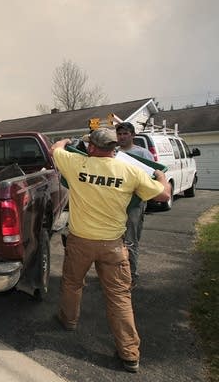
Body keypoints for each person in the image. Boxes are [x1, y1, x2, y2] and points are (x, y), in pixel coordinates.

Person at [50, 128, 170, 373]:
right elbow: (164, 195)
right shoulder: (130, 171)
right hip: (113, 246)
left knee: (72, 284)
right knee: (119, 297)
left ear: (92, 148)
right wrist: (161, 177)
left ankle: (68, 320)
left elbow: (55, 150)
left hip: (80, 241)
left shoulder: (76, 163)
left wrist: (66, 140)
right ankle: (129, 354)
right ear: (114, 148)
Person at [115, 122, 155, 288]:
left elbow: (153, 177)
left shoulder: (143, 154)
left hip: (135, 204)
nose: (122, 137)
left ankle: (131, 276)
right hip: (115, 203)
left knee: (131, 239)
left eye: (125, 134)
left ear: (132, 135)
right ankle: (117, 274)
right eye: (120, 134)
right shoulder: (113, 154)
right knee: (115, 240)